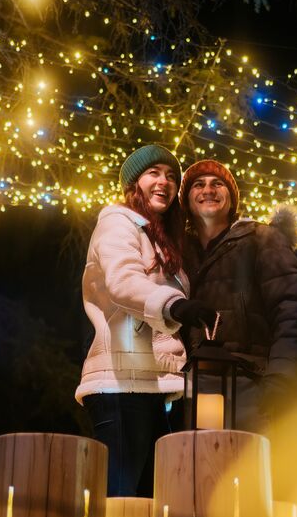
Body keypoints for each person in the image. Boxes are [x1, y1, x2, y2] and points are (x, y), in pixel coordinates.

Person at [76, 145, 215, 496]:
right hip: (119, 383)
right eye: (154, 173)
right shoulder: (117, 223)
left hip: (148, 385)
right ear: (132, 183)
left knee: (150, 499)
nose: (164, 182)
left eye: (171, 176)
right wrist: (175, 307)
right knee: (118, 497)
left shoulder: (160, 239)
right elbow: (123, 282)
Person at [178, 159, 297, 431]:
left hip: (250, 382)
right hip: (192, 386)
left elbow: (292, 309)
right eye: (198, 184)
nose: (208, 189)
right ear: (186, 200)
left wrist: (281, 377)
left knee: (250, 468)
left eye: (218, 184)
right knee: (200, 468)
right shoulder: (179, 253)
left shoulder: (262, 239)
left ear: (231, 199)